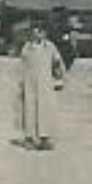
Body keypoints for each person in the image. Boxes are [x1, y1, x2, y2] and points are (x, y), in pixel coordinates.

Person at [17, 23, 66, 151]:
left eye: (40, 32)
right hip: (29, 83)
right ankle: (29, 138)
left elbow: (58, 63)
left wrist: (60, 79)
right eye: (34, 32)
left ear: (44, 33)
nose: (37, 34)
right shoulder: (27, 47)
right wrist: (21, 82)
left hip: (45, 83)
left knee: (45, 109)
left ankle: (45, 138)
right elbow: (22, 65)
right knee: (30, 109)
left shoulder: (50, 47)